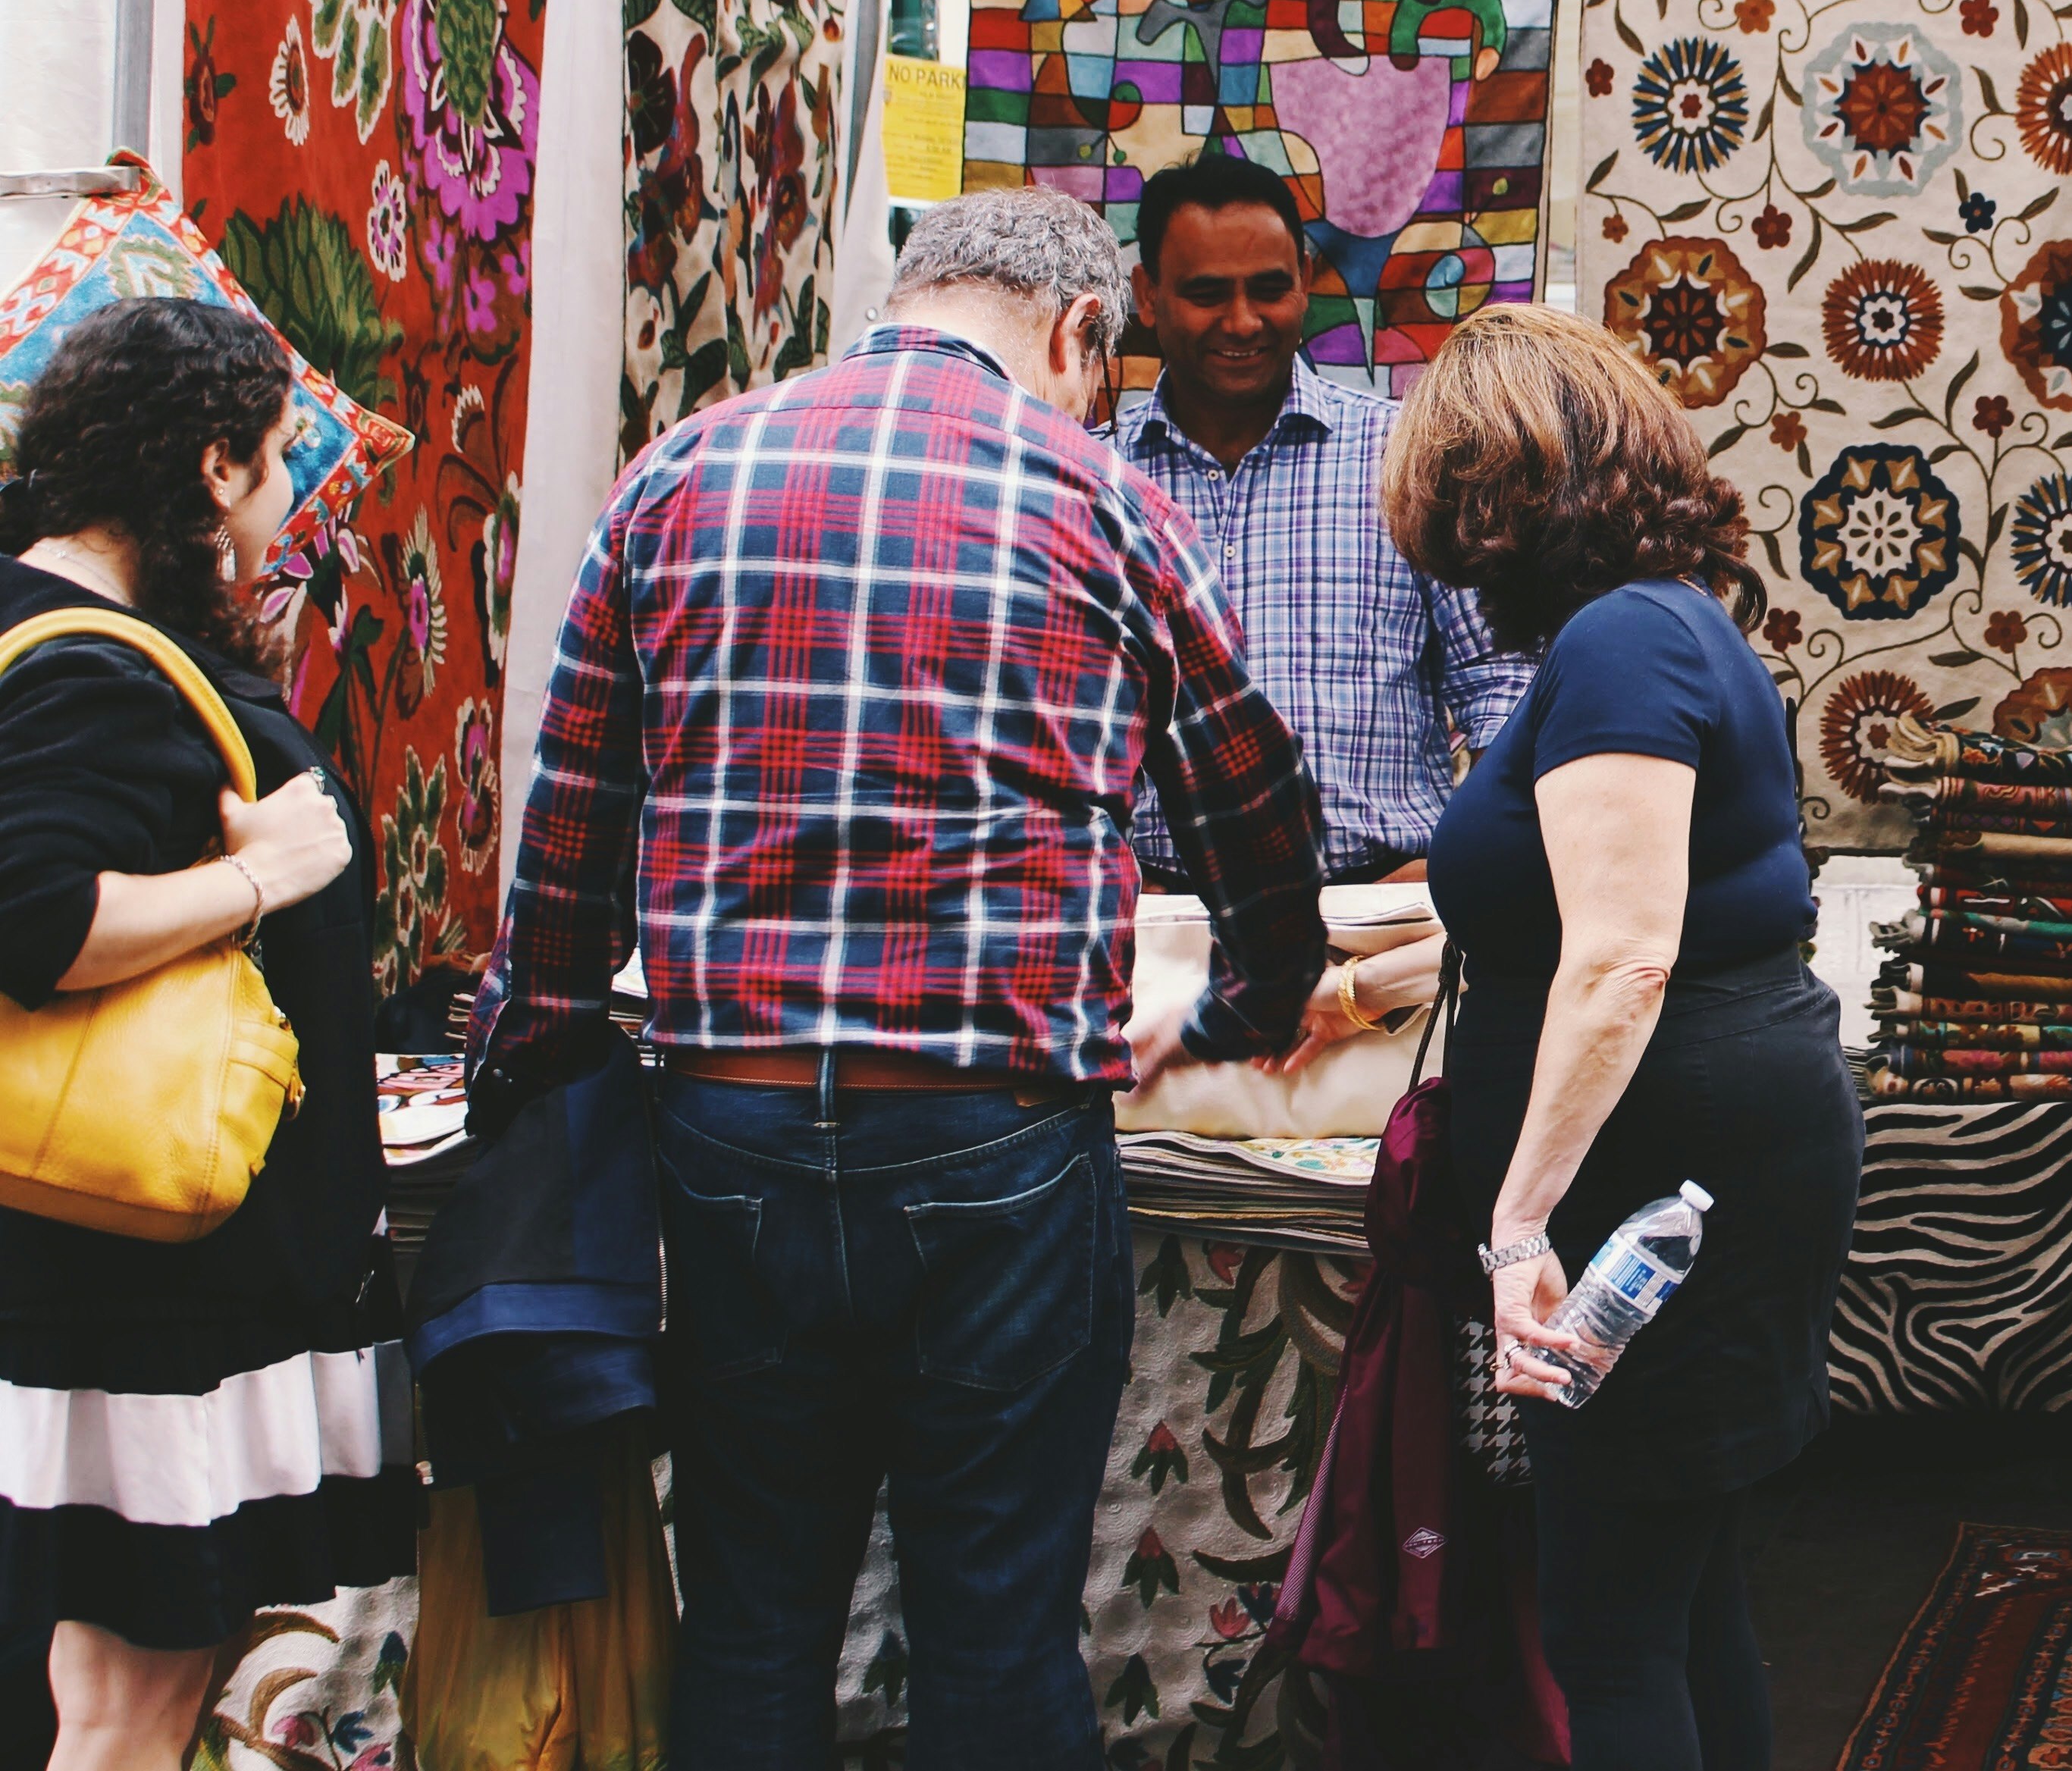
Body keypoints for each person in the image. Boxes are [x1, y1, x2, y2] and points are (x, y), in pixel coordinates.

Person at [469, 188, 1328, 1771]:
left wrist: (536, 1049)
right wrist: (1248, 1005)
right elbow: (1254, 809)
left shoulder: (679, 473)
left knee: (750, 1613)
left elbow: (570, 815)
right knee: (992, 1621)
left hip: (724, 1136)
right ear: (1081, 331)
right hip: (993, 1138)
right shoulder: (1099, 497)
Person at [1384, 307, 1861, 1771]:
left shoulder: (1616, 644)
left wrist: (1518, 1223)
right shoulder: (1656, 630)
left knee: (1608, 1627)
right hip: (1702, 1149)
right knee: (1681, 1589)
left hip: (1658, 1187)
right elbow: (1603, 908)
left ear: (1498, 495)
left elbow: (1621, 959)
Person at [0, 299, 415, 1771]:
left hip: (100, 1274)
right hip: (145, 1294)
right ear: (212, 463)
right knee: (130, 1704)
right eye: (280, 460)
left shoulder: (42, 627)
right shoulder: (88, 667)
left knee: (100, 1689)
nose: (292, 497)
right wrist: (263, 875)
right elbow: (34, 919)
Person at [1114, 150, 1531, 1064]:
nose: (1242, 320)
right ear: (1145, 294)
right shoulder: (1087, 479)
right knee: (1161, 1196)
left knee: (1386, 1194)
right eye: (1205, 292)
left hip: (1381, 935)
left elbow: (1500, 674)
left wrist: (1467, 854)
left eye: (1269, 287)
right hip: (1151, 937)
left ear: (1307, 281)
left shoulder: (1411, 459)